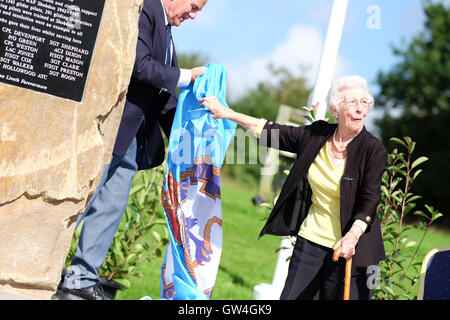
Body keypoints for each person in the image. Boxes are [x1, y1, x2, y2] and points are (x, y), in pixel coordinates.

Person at [56, 0, 208, 300]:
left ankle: (80, 279)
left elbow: (162, 95)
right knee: (78, 204)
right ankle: (39, 265)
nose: (191, 15)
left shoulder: (166, 30)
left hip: (132, 140)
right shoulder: (146, 9)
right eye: (192, 6)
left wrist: (192, 137)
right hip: (107, 128)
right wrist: (186, 76)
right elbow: (137, 64)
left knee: (110, 209)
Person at [199, 75, 387, 300]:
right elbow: (273, 132)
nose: (360, 109)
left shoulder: (373, 150)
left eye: (364, 102)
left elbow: (370, 199)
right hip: (312, 242)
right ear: (335, 109)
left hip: (355, 251)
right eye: (352, 102)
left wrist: (352, 237)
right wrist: (227, 113)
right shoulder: (317, 134)